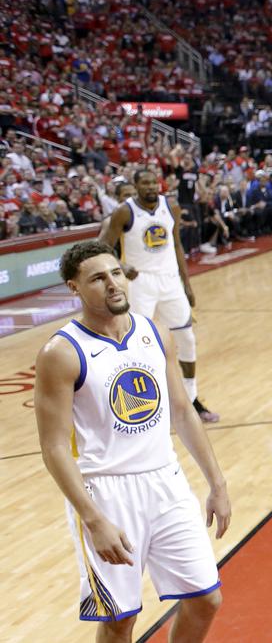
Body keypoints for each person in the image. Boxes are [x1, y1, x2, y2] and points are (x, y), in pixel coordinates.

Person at [33, 241, 229, 641]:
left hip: (165, 482)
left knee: (206, 600)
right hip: (106, 493)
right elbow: (53, 448)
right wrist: (93, 519)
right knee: (119, 621)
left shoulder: (154, 333)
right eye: (97, 278)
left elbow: (181, 410)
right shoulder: (61, 352)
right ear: (74, 288)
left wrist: (217, 483)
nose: (112, 284)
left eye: (117, 273)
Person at [99, 170, 218, 423]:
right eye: (145, 182)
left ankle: (191, 398)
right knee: (136, 344)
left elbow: (176, 245)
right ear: (136, 185)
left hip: (171, 280)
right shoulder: (124, 211)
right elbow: (102, 246)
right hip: (140, 282)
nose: (151, 186)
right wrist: (119, 264)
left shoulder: (170, 206)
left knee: (186, 338)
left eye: (154, 182)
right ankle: (141, 404)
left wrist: (187, 284)